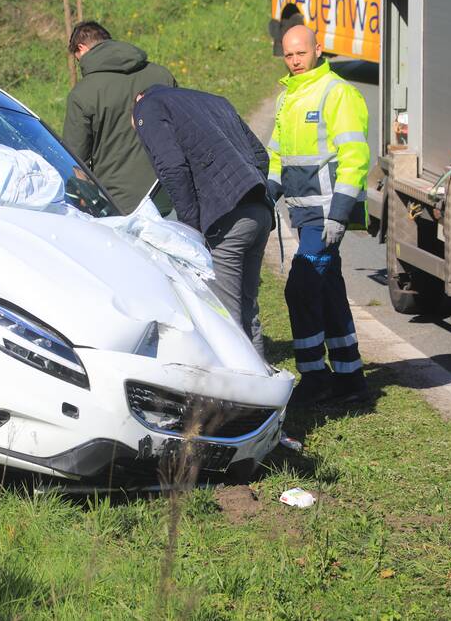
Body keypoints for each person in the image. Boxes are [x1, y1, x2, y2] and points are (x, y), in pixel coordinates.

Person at [267, 25, 370, 405]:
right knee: (327, 290)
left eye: (301, 53)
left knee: (301, 288)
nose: (294, 61)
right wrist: (266, 193)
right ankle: (350, 379)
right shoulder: (286, 99)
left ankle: (313, 376)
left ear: (318, 49)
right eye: (288, 54)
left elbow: (356, 158)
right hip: (302, 215)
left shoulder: (337, 93)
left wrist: (340, 214)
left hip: (326, 216)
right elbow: (277, 156)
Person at [133, 85, 274, 356]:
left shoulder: (147, 107)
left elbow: (172, 167)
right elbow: (260, 156)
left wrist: (190, 229)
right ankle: (262, 380)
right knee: (247, 310)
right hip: (259, 210)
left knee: (226, 319)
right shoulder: (214, 100)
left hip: (228, 219)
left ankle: (242, 392)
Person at [63, 21, 176, 213]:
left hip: (120, 206)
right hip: (171, 193)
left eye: (77, 58)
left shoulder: (82, 94)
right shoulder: (161, 74)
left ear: (81, 48)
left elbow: (75, 160)